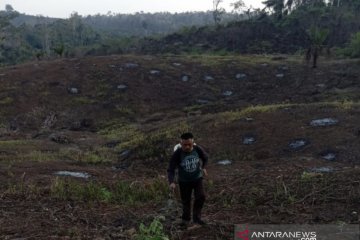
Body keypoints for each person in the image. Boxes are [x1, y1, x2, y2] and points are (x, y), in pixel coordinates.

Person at [167, 132, 208, 227]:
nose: (187, 147)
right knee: (186, 201)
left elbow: (205, 157)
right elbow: (171, 169)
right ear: (181, 144)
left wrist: (204, 167)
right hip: (184, 181)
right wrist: (171, 181)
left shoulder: (197, 149)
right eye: (184, 145)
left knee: (201, 197)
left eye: (189, 144)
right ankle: (185, 220)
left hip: (197, 178)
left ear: (193, 142)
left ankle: (197, 219)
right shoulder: (177, 153)